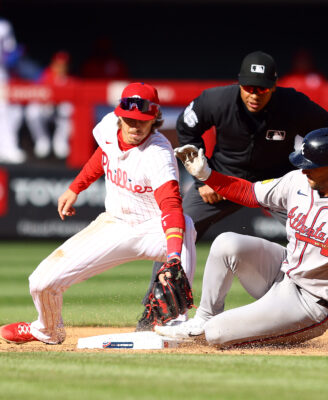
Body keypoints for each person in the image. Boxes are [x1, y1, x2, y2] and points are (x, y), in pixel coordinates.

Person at [140, 50, 328, 343]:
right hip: (222, 181)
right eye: (249, 87)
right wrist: (202, 178)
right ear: (239, 83)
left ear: (274, 86)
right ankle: (154, 313)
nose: (255, 94)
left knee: (318, 236)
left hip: (278, 185)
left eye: (262, 88)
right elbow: (187, 127)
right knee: (177, 229)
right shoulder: (216, 100)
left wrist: (307, 165)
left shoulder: (293, 104)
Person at [155, 128, 328, 348]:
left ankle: (219, 329)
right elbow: (250, 193)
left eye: (311, 165)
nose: (304, 169)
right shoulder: (299, 181)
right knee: (226, 243)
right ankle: (203, 319)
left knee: (217, 333)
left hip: (311, 304)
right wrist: (208, 175)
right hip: (282, 272)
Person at [0, 82, 196, 345]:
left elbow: (171, 205)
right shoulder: (107, 126)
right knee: (40, 282)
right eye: (129, 119)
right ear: (119, 115)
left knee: (185, 227)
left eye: (142, 120)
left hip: (152, 228)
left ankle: (176, 325)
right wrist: (75, 187)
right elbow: (103, 154)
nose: (135, 126)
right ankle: (47, 330)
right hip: (114, 223)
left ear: (154, 118)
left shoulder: (158, 154)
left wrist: (172, 256)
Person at [25, 51, 75, 159]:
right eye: (58, 65)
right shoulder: (44, 76)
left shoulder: (70, 80)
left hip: (61, 114)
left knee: (69, 109)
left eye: (63, 65)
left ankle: (60, 141)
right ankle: (42, 141)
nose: (60, 68)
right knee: (32, 110)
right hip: (46, 109)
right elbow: (34, 93)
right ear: (53, 64)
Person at [0, 18, 26, 164]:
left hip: (1, 74)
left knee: (6, 112)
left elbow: (10, 52)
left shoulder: (3, 26)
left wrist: (16, 54)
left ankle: (7, 149)